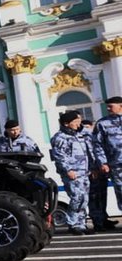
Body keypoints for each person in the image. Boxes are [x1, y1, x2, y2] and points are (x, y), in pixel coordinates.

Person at [50, 110, 91, 235]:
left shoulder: (77, 135)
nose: (78, 124)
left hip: (83, 172)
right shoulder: (59, 137)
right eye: (75, 122)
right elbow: (59, 156)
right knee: (76, 198)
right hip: (72, 173)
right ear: (66, 123)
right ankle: (73, 224)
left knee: (84, 199)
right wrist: (68, 170)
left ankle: (81, 223)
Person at [91, 95, 122, 231]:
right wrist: (103, 162)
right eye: (107, 106)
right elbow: (97, 145)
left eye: (111, 106)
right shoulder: (102, 123)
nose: (108, 109)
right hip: (116, 164)